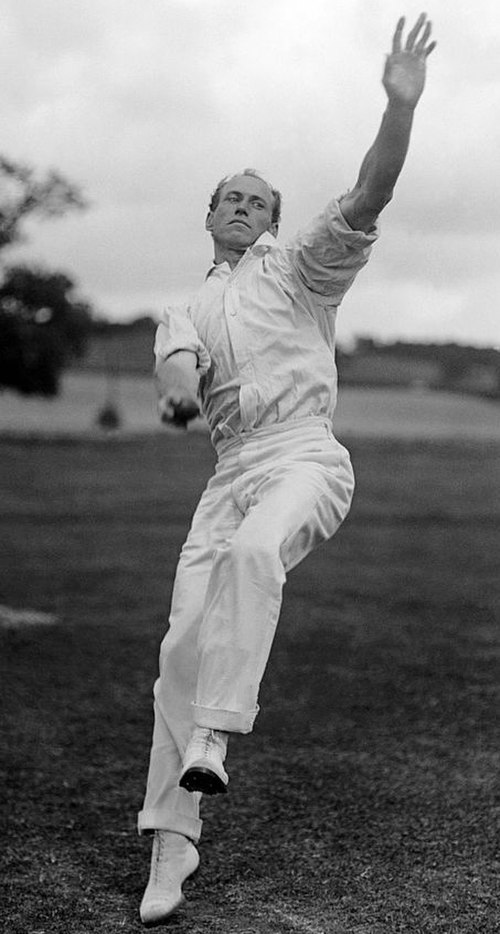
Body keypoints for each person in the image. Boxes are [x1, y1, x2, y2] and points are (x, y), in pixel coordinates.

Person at [138, 13, 436, 926]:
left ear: (274, 218)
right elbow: (176, 363)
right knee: (178, 647)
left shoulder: (301, 270)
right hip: (228, 471)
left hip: (307, 455)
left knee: (254, 557)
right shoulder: (186, 301)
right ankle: (170, 845)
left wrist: (399, 108)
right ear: (208, 212)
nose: (244, 205)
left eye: (260, 200)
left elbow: (371, 190)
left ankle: (217, 738)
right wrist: (181, 396)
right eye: (231, 195)